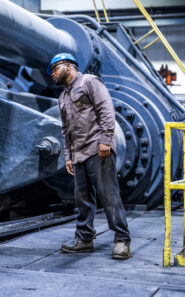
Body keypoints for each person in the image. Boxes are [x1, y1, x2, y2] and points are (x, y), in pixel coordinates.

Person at [48, 53, 131, 260]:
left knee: (109, 195)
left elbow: (106, 110)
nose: (52, 75)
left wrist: (106, 140)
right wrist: (69, 156)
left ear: (68, 66)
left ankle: (122, 239)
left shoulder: (89, 82)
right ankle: (84, 239)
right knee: (82, 199)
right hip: (79, 154)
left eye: (55, 69)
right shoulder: (63, 97)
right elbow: (66, 130)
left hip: (98, 149)